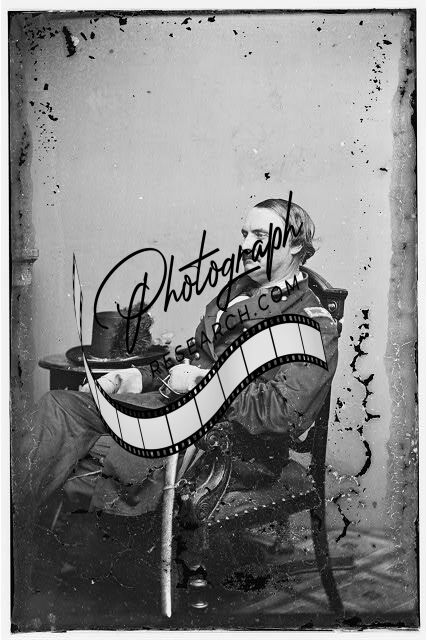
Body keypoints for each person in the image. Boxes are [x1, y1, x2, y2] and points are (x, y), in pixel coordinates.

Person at [18, 197, 339, 522]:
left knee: (92, 453)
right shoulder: (237, 294)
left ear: (296, 245)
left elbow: (282, 413)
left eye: (261, 236)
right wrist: (136, 377)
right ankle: (16, 526)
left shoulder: (312, 324)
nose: (245, 246)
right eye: (244, 235)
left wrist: (204, 383)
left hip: (233, 444)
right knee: (59, 407)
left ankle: (85, 538)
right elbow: (195, 355)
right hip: (178, 412)